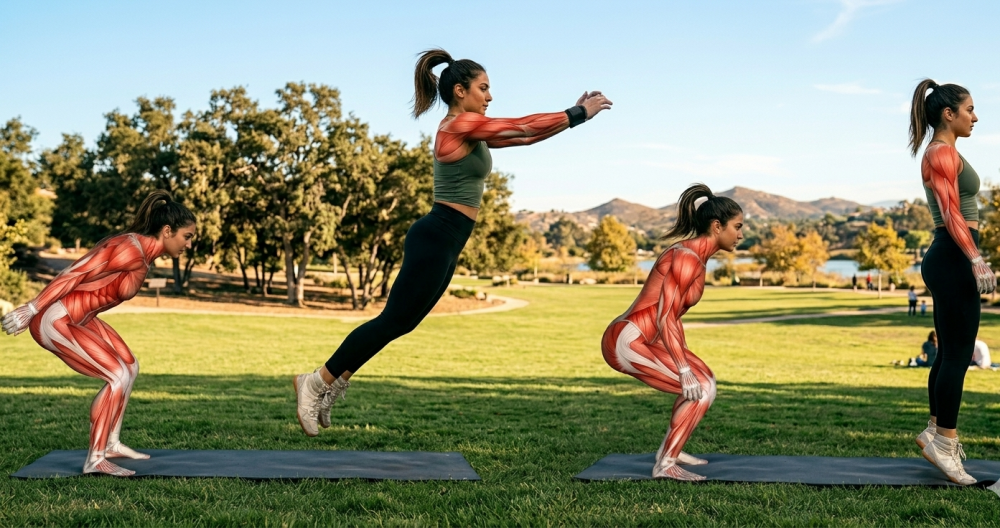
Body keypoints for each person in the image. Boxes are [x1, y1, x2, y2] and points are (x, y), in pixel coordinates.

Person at [292, 49, 613, 437]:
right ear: (460, 91)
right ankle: (314, 382)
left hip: (448, 240)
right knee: (392, 320)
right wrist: (578, 114)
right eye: (483, 88)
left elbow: (526, 137)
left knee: (401, 323)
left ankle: (332, 383)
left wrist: (572, 115)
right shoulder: (457, 127)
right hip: (436, 234)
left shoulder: (473, 130)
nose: (490, 96)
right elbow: (523, 126)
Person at [1, 191, 196, 477]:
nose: (189, 244)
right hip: (55, 319)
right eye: (187, 236)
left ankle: (112, 443)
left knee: (130, 367)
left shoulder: (144, 256)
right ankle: (95, 459)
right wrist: (31, 308)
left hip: (83, 318)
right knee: (116, 375)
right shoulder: (127, 248)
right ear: (167, 231)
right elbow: (73, 273)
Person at [601, 184, 743, 481]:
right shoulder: (686, 258)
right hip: (627, 340)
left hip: (647, 338)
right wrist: (682, 368)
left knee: (706, 384)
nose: (741, 234)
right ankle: (665, 466)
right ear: (717, 227)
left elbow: (673, 317)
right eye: (737, 227)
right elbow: (665, 316)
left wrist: (685, 362)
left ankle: (672, 452)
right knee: (699, 389)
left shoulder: (697, 258)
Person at [909, 78, 995, 485]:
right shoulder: (940, 154)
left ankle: (935, 431)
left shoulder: (946, 152)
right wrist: (976, 258)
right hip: (953, 255)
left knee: (948, 354)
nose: (975, 117)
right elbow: (952, 212)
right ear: (949, 113)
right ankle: (945, 443)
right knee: (958, 355)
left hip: (949, 255)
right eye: (970, 109)